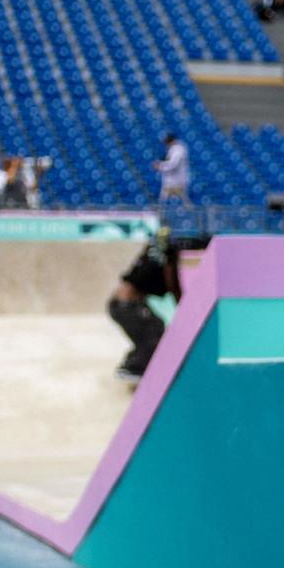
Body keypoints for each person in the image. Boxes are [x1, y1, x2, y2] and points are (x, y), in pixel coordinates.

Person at [109, 228, 183, 381]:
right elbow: (172, 284)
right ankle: (134, 368)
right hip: (126, 305)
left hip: (120, 304)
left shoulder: (152, 251)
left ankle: (132, 363)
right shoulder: (165, 255)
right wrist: (183, 307)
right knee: (154, 332)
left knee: (152, 330)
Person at [153, 131, 189, 207]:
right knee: (164, 203)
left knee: (182, 203)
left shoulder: (178, 150)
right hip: (171, 182)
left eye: (167, 142)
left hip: (177, 182)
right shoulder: (173, 149)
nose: (166, 144)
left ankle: (193, 217)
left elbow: (173, 165)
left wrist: (160, 166)